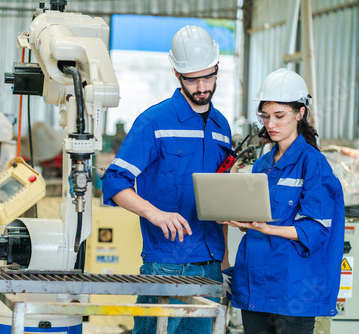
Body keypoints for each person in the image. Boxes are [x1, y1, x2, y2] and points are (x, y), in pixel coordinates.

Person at [103, 25, 232, 334]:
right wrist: (155, 213)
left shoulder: (221, 126)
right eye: (192, 78)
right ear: (177, 74)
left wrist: (225, 258)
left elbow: (223, 194)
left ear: (217, 68)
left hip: (211, 267)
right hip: (166, 264)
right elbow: (115, 181)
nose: (202, 86)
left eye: (209, 76)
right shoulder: (154, 122)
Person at [220, 68, 345, 334]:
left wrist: (265, 228)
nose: (271, 125)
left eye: (279, 116)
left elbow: (317, 229)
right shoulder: (263, 164)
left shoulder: (313, 163)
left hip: (293, 290)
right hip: (254, 283)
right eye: (265, 117)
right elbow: (257, 217)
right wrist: (242, 222)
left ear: (300, 114)